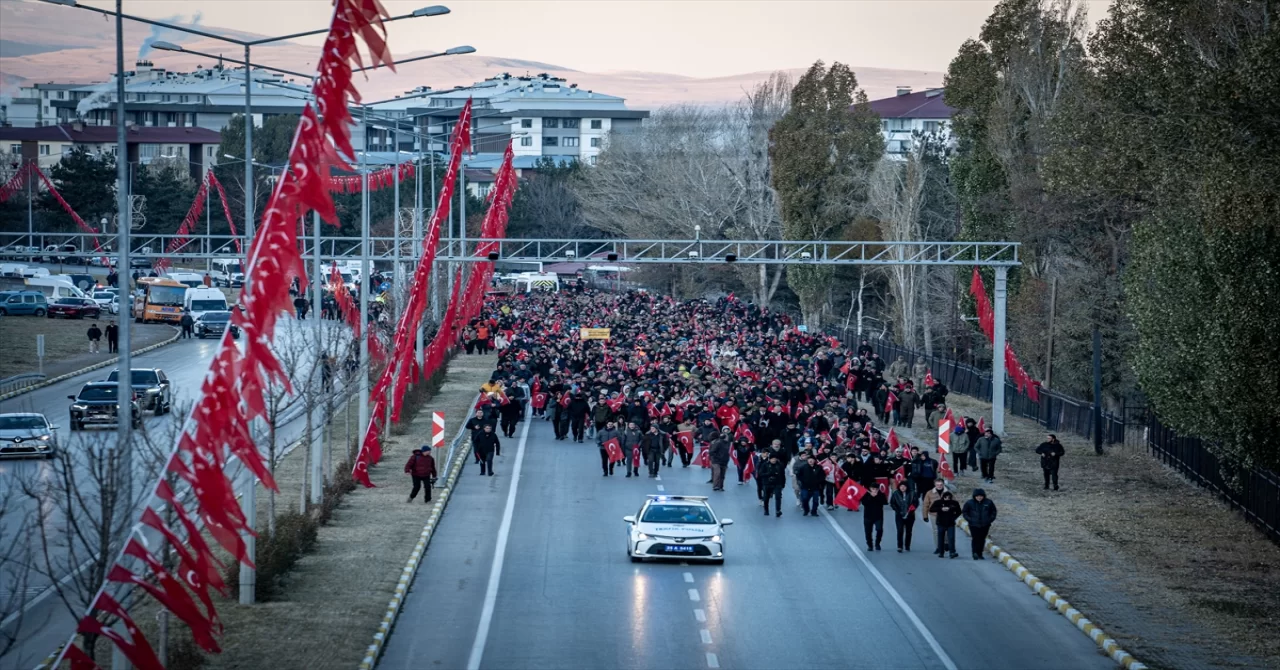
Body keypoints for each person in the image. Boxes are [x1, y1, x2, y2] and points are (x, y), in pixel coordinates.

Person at [962, 488, 998, 560]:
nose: (979, 497)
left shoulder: (988, 502)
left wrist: (989, 520)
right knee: (975, 538)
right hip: (973, 525)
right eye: (977, 496)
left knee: (982, 539)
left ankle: (980, 553)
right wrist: (970, 520)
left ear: (983, 496)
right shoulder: (969, 503)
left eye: (981, 496)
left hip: (985, 524)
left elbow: (994, 511)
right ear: (974, 496)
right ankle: (974, 553)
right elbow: (965, 512)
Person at [929, 490, 961, 559]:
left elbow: (959, 511)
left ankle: (952, 552)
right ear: (943, 497)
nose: (947, 499)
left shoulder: (954, 503)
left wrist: (953, 517)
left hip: (950, 523)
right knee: (940, 538)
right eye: (946, 497)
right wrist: (941, 509)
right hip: (940, 522)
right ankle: (941, 552)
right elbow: (931, 509)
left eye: (949, 497)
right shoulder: (938, 502)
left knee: (951, 538)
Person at [890, 481, 918, 552]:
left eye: (904, 486)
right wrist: (897, 510)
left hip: (910, 515)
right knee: (900, 530)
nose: (902, 488)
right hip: (899, 515)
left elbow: (916, 502)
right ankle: (900, 546)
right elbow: (892, 503)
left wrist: (913, 508)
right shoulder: (895, 493)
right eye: (901, 486)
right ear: (899, 487)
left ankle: (907, 545)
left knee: (909, 531)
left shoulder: (912, 493)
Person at [861, 482, 886, 551]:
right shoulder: (866, 494)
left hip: (878, 516)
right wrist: (871, 496)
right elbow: (864, 503)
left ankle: (877, 543)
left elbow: (884, 502)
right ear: (870, 489)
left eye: (876, 489)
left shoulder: (881, 495)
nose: (874, 490)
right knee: (868, 532)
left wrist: (877, 496)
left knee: (879, 529)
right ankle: (870, 545)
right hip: (868, 516)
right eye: (873, 489)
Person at [759, 452, 785, 517]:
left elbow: (783, 475)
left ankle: (778, 510)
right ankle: (766, 510)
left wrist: (783, 484)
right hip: (767, 483)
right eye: (772, 459)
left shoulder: (780, 465)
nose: (773, 460)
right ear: (769, 459)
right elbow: (760, 474)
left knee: (778, 497)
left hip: (777, 483)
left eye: (775, 459)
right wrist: (768, 474)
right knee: (766, 497)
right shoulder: (765, 465)